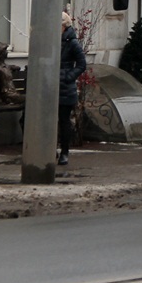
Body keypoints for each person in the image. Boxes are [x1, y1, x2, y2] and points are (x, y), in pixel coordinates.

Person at [58, 11, 87, 166]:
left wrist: (68, 77)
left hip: (65, 89)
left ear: (64, 26)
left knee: (64, 121)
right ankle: (51, 149)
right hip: (50, 87)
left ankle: (64, 152)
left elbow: (82, 64)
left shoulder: (72, 42)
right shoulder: (51, 41)